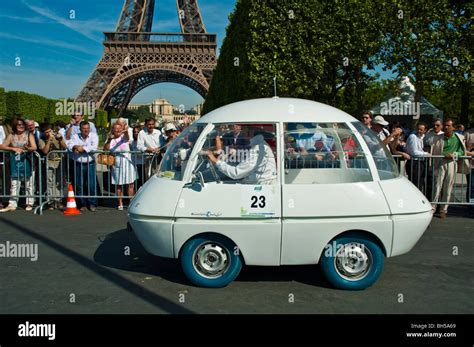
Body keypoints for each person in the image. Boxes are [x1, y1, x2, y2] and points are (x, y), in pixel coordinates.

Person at [206, 128, 277, 185]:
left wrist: (215, 161)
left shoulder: (258, 148)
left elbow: (236, 173)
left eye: (244, 129)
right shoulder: (260, 145)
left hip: (259, 187)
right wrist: (237, 154)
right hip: (258, 184)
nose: (243, 132)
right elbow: (250, 162)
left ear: (249, 131)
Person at [431, 119, 466, 218]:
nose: (446, 127)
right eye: (445, 125)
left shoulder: (459, 138)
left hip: (451, 163)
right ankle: (433, 208)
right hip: (440, 162)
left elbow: (462, 151)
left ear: (453, 127)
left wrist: (454, 154)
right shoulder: (438, 138)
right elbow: (434, 150)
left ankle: (443, 209)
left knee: (448, 187)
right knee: (437, 186)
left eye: (448, 125)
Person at [0, 118, 37, 212]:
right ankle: (12, 203)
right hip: (15, 162)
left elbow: (34, 147)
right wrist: (13, 148)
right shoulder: (11, 135)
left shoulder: (29, 134)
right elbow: (2, 146)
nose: (21, 126)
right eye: (18, 124)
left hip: (28, 160)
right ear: (15, 126)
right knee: (15, 183)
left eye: (22, 124)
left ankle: (30, 202)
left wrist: (27, 148)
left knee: (29, 182)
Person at [66, 121, 99, 212]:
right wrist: (75, 147)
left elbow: (94, 147)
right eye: (84, 128)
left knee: (91, 185)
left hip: (90, 163)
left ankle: (92, 203)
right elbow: (69, 145)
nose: (86, 130)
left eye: (87, 128)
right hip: (78, 163)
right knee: (79, 185)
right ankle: (82, 204)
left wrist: (82, 149)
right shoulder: (75, 136)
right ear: (80, 129)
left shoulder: (94, 135)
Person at [104, 123, 137, 210]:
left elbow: (127, 136)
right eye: (116, 129)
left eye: (119, 128)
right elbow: (106, 149)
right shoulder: (110, 139)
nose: (118, 130)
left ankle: (131, 202)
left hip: (127, 162)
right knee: (118, 185)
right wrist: (109, 140)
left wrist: (125, 131)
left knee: (130, 184)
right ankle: (120, 203)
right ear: (113, 130)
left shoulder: (124, 137)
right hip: (117, 163)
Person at [38, 122, 67, 210]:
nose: (49, 134)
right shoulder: (41, 140)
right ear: (43, 132)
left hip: (59, 161)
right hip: (49, 161)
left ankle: (58, 200)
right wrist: (49, 141)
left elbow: (65, 147)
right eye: (46, 132)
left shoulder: (57, 137)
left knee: (59, 181)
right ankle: (50, 201)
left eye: (50, 131)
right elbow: (45, 151)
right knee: (50, 181)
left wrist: (60, 139)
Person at [405, 122, 430, 193]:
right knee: (415, 184)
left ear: (425, 130)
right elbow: (414, 152)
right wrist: (426, 154)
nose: (419, 131)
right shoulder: (413, 137)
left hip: (421, 162)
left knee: (420, 183)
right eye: (418, 129)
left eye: (421, 130)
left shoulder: (423, 137)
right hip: (414, 162)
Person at [130, 125, 145, 190]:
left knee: (142, 182)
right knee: (136, 183)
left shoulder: (143, 141)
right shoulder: (132, 142)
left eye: (137, 132)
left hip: (142, 164)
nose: (136, 133)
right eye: (134, 132)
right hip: (134, 164)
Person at [463, 127, 474, 205]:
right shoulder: (467, 133)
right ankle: (471, 206)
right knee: (472, 187)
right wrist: (471, 154)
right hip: (471, 166)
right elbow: (462, 149)